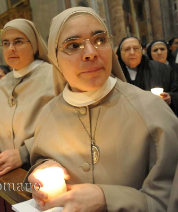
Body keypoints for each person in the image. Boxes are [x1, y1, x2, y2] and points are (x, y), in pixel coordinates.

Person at [26, 7, 178, 212]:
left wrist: (108, 198)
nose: (91, 53)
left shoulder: (152, 111)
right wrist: (41, 169)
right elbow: (40, 157)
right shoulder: (47, 114)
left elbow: (169, 201)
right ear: (55, 59)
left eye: (99, 40)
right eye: (73, 45)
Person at [0, 18, 55, 177]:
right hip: (4, 173)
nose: (11, 49)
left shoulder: (52, 77)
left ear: (34, 44)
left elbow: (62, 127)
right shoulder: (2, 84)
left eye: (18, 41)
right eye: (6, 43)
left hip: (43, 170)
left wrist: (24, 152)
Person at [116, 37, 178, 116]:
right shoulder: (113, 74)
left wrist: (171, 98)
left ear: (141, 51)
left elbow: (176, 91)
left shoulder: (162, 69)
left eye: (135, 48)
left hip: (158, 117)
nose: (132, 52)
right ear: (120, 52)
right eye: (127, 49)